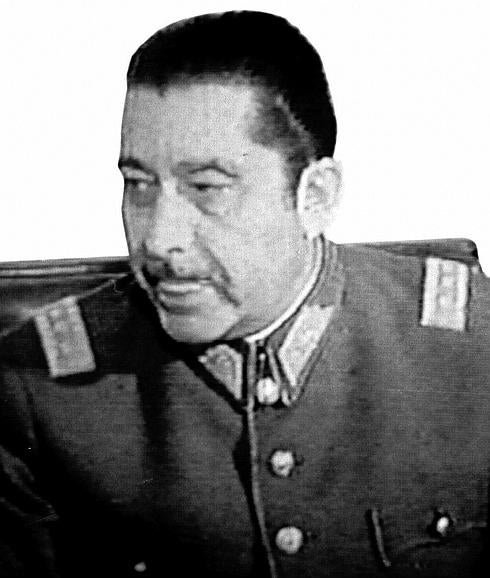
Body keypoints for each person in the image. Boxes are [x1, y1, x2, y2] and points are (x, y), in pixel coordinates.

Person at [0, 11, 488, 578]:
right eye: (138, 185)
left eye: (207, 188)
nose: (157, 239)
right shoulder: (34, 388)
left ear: (315, 196)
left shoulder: (473, 346)